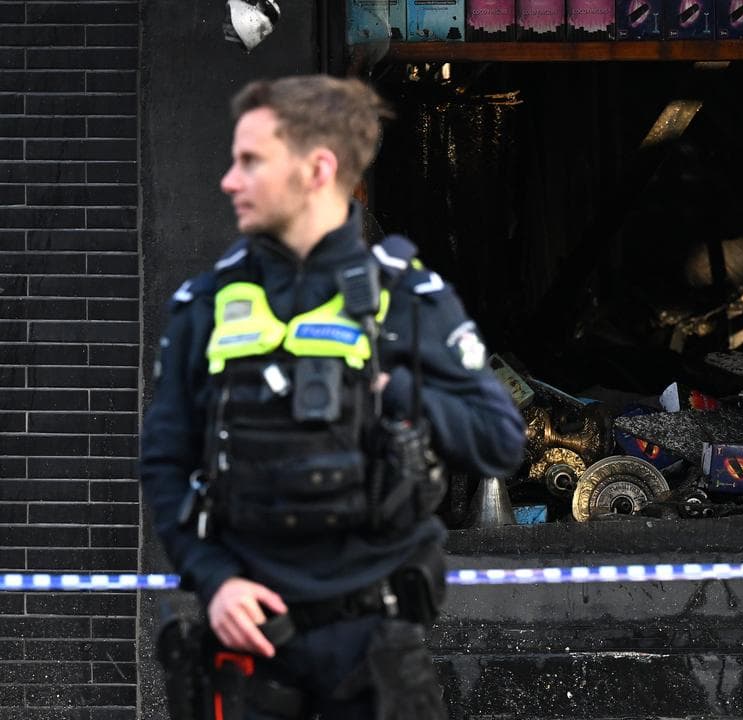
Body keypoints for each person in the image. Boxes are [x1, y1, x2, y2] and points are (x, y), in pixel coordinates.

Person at [140, 75, 527, 719]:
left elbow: (498, 439)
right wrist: (213, 578)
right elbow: (164, 461)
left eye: (251, 161)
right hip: (247, 647)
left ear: (317, 168)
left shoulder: (405, 299)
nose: (228, 181)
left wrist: (393, 389)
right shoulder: (206, 305)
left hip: (374, 651)